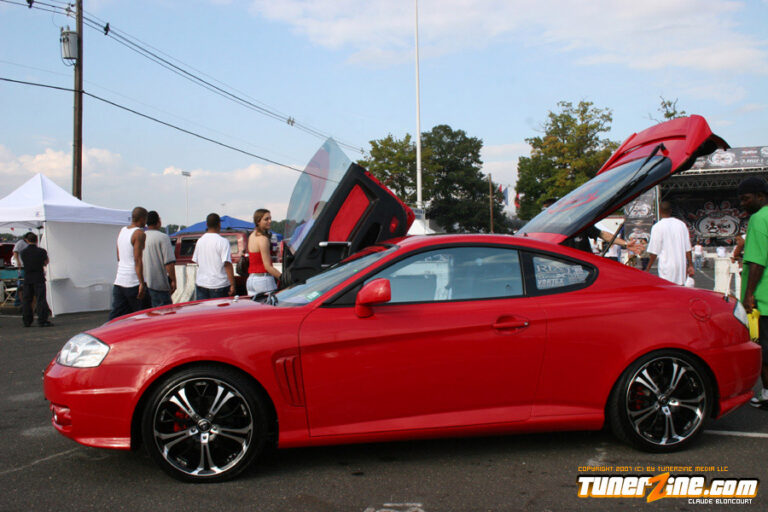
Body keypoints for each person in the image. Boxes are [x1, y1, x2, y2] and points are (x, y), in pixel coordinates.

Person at [736, 177, 768, 408]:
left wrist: (749, 295)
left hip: (764, 298)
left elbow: (757, 262)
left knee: (763, 348)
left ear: (760, 196)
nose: (743, 204)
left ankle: (767, 394)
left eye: (746, 199)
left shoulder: (758, 219)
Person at [109, 207, 148, 320]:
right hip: (133, 281)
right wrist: (141, 282)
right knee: (142, 315)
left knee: (117, 315)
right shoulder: (139, 234)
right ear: (142, 219)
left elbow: (118, 256)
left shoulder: (122, 231)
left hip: (120, 280)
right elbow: (138, 259)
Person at [645, 201, 694, 285]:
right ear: (671, 211)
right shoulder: (681, 225)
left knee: (668, 290)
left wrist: (648, 268)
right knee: (680, 290)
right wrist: (690, 265)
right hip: (681, 266)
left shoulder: (657, 227)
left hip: (666, 267)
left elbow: (654, 252)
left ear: (659, 211)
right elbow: (687, 248)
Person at [192, 213, 235, 299]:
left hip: (201, 284)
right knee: (220, 312)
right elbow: (227, 264)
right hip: (219, 285)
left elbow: (198, 262)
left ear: (206, 224)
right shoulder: (223, 241)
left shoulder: (200, 241)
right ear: (219, 224)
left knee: (204, 312)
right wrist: (233, 284)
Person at [142, 211, 177, 307]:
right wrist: (173, 280)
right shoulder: (163, 237)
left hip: (144, 284)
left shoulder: (142, 236)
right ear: (158, 222)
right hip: (159, 285)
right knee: (164, 315)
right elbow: (169, 263)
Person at [246, 209, 282, 296]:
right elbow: (268, 267)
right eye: (266, 219)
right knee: (271, 308)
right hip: (263, 279)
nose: (269, 221)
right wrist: (283, 278)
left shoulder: (252, 236)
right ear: (258, 221)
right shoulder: (263, 239)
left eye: (270, 218)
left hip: (251, 280)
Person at [20, 232, 52, 327]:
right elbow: (46, 262)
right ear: (37, 240)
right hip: (38, 277)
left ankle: (27, 320)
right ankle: (42, 320)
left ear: (27, 240)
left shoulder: (23, 252)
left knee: (27, 300)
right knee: (40, 299)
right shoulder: (42, 251)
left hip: (28, 277)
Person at [11, 233, 31, 307]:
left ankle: (25, 301)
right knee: (21, 285)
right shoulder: (20, 243)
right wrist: (18, 262)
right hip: (22, 267)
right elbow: (15, 252)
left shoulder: (29, 244)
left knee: (26, 285)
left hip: (28, 267)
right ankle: (17, 302)